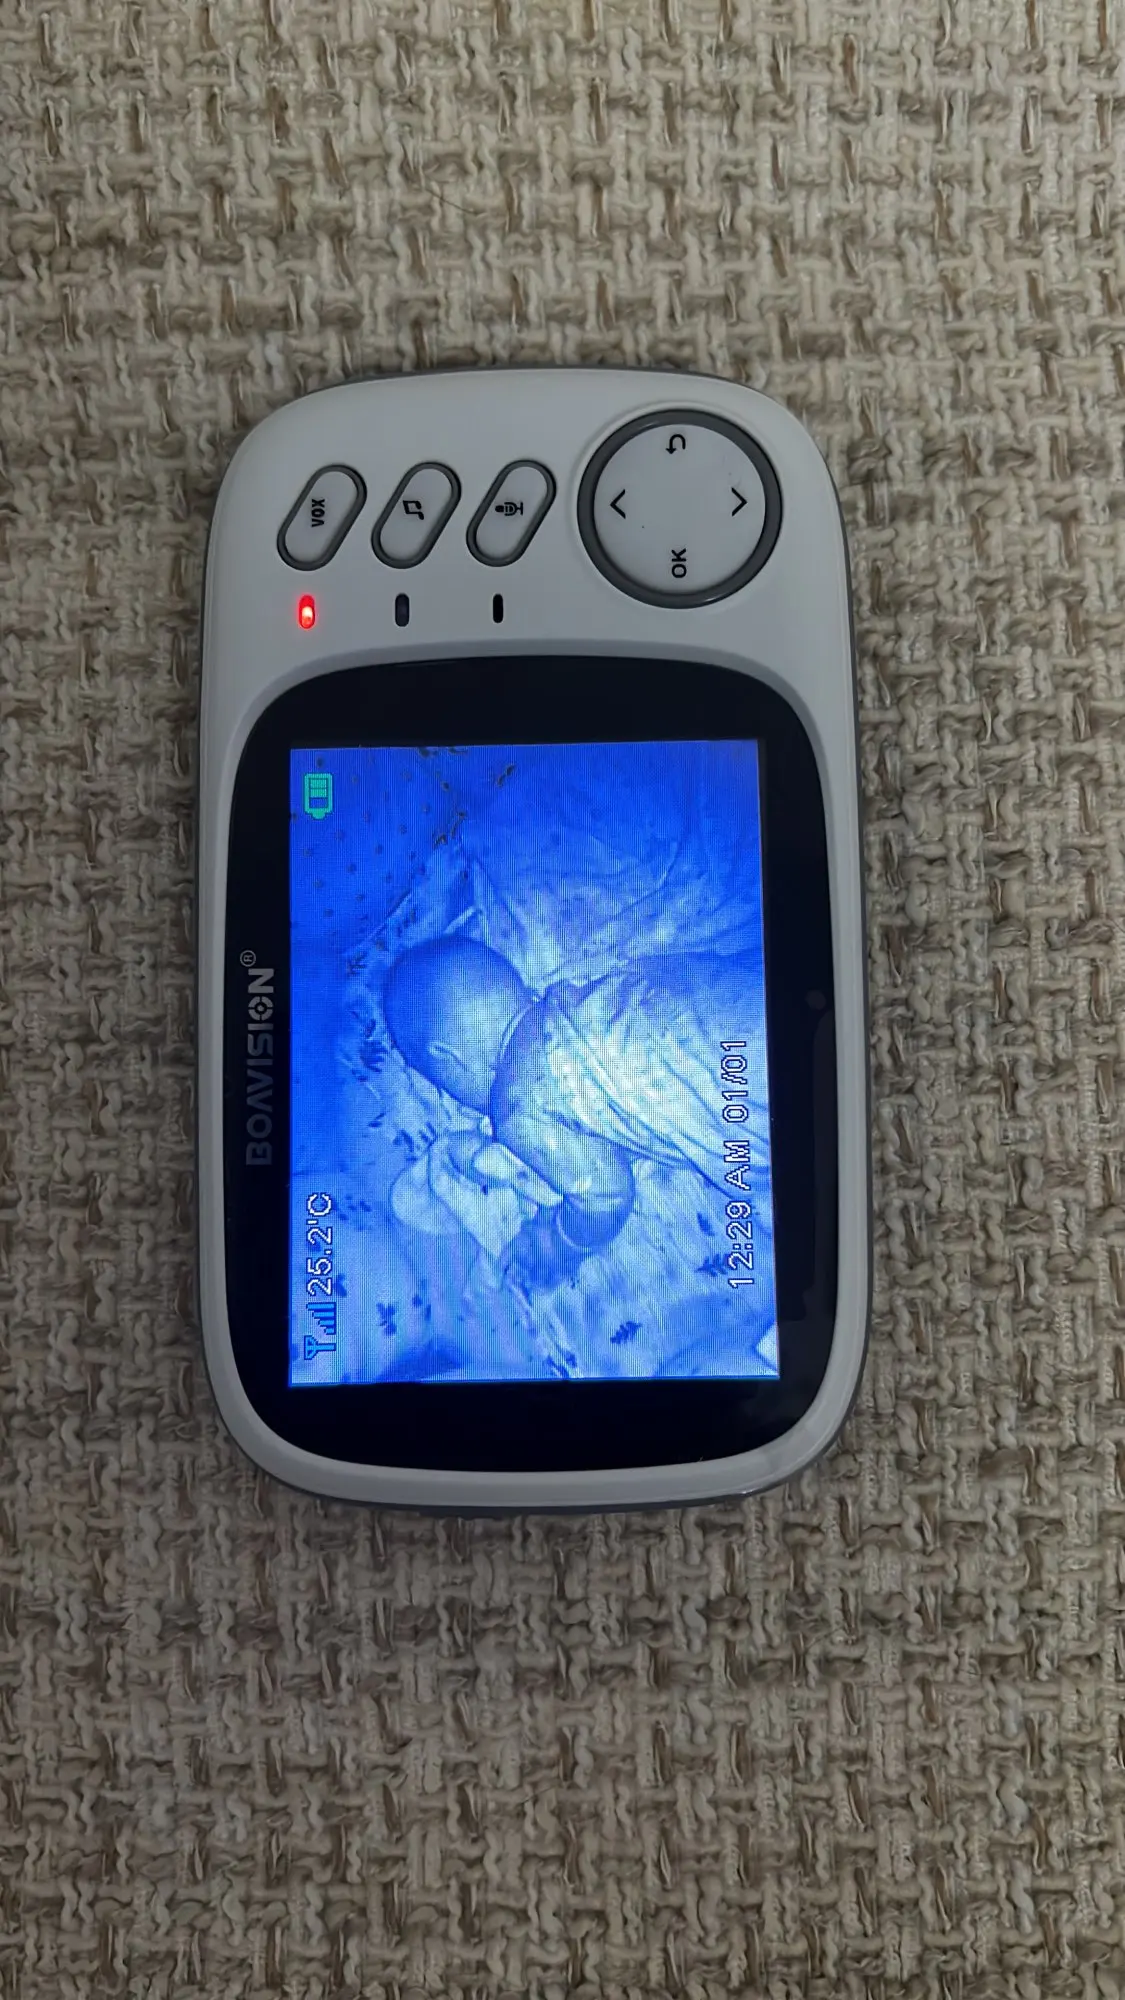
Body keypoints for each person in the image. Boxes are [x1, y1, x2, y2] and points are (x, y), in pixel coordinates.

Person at [381, 935, 770, 1290]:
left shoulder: (516, 1109)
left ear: (449, 1059)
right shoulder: (582, 998)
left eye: (442, 1084)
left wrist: (555, 1246)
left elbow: (606, 1195)